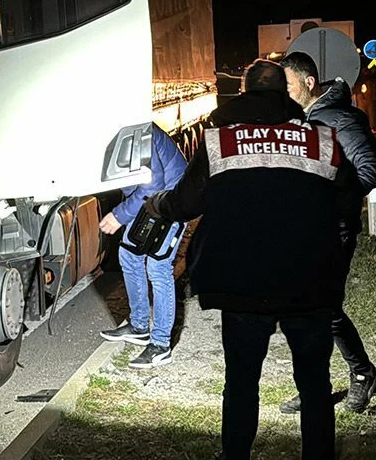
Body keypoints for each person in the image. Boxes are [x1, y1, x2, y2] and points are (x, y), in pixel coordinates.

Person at [145, 59, 355, 460]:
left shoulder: (220, 141)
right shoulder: (321, 140)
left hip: (242, 283)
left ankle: (235, 455)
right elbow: (346, 202)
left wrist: (157, 204)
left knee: (241, 381)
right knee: (314, 383)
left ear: (243, 93)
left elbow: (186, 203)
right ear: (285, 94)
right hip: (308, 281)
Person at [277, 51, 376, 414]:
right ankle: (317, 385)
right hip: (306, 228)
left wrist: (332, 200)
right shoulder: (302, 118)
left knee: (321, 308)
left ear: (309, 83)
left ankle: (362, 373)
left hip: (333, 228)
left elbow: (374, 169)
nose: (283, 93)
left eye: (288, 86)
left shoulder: (340, 119)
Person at [97, 122, 188, 368]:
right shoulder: (117, 126)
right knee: (129, 255)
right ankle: (138, 327)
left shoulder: (133, 128)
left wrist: (119, 215)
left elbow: (152, 185)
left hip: (171, 199)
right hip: (152, 201)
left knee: (158, 267)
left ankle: (160, 345)